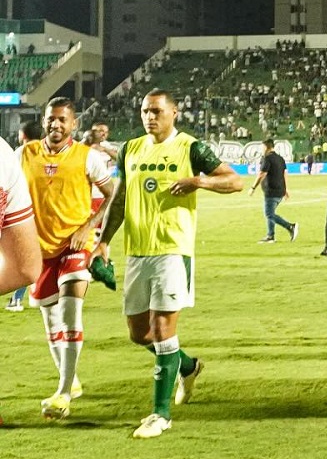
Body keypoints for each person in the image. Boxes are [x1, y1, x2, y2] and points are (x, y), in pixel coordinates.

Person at [95, 90, 244, 439]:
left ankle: (159, 415)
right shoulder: (131, 149)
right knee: (138, 333)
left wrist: (199, 180)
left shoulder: (191, 148)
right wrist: (103, 242)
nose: (150, 117)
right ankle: (188, 367)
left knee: (163, 331)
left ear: (174, 112)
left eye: (157, 111)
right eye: (145, 110)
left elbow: (234, 180)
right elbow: (119, 200)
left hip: (173, 251)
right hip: (137, 252)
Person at [20, 97, 115, 420]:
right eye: (51, 119)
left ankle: (62, 393)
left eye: (62, 119)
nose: (55, 124)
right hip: (39, 248)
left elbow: (112, 194)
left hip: (76, 244)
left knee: (71, 315)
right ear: (44, 120)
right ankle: (70, 380)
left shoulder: (87, 158)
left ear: (73, 124)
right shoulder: (25, 154)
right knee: (50, 321)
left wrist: (90, 228)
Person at [6, 120, 42, 312]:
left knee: (19, 257)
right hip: (45, 212)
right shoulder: (49, 151)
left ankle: (16, 299)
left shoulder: (20, 153)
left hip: (22, 212)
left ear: (23, 135)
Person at [249, 138, 298, 243]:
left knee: (269, 214)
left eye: (262, 147)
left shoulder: (267, 159)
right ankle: (270, 235)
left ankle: (290, 226)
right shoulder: (280, 158)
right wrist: (286, 189)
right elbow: (284, 173)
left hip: (271, 190)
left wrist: (253, 187)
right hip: (280, 191)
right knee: (271, 213)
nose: (261, 149)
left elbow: (262, 174)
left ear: (266, 147)